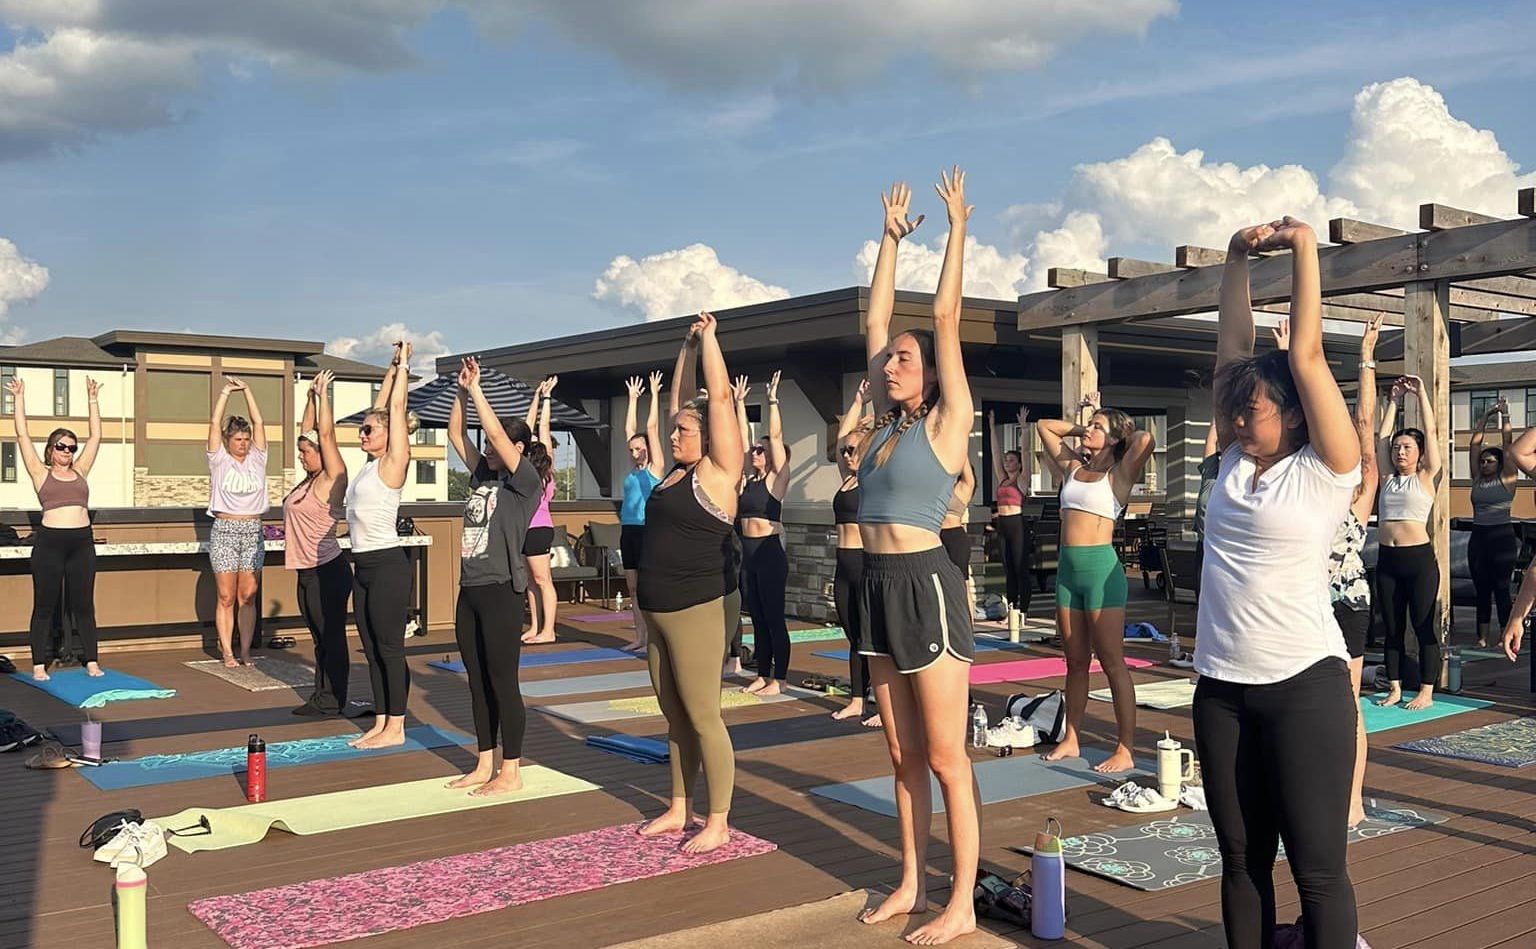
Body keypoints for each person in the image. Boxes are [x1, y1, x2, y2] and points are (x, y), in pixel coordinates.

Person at [1197, 216, 1361, 949]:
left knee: (1318, 872)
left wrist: (1301, 250)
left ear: (1293, 413)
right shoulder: (1233, 461)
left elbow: (1307, 350)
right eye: (1234, 409)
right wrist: (1235, 258)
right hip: (1221, 688)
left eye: (1253, 409)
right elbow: (1234, 349)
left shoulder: (1325, 469)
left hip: (1304, 686)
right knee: (1240, 861)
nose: (1236, 416)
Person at [854, 172, 978, 946]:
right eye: (891, 359)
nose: (893, 363)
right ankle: (911, 878)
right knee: (899, 750)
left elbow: (942, 315)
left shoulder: (945, 423)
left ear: (930, 376)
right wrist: (891, 243)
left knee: (943, 755)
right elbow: (875, 318)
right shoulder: (882, 426)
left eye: (906, 359)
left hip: (926, 587)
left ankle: (960, 901)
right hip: (873, 587)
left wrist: (956, 228)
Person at [635, 311, 744, 855]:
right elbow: (682, 398)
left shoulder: (718, 473)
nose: (673, 432)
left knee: (703, 715)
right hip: (655, 610)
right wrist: (684, 345)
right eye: (674, 428)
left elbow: (717, 400)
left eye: (683, 429)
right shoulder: (673, 471)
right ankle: (679, 806)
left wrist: (711, 341)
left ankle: (718, 819)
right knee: (673, 714)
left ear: (709, 437)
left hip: (696, 609)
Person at [1035, 392, 1154, 773]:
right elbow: (1044, 427)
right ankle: (1071, 737)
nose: (1088, 432)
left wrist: (1117, 429)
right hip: (1068, 574)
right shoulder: (1072, 467)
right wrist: (1085, 424)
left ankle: (1125, 747)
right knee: (1074, 662)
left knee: (1112, 661)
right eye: (1089, 427)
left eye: (1097, 428)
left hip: (1102, 574)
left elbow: (1145, 440)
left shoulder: (1118, 476)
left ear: (1115, 438)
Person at [446, 357, 545, 795]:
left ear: (518, 449)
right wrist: (463, 391)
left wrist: (481, 391)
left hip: (503, 591)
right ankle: (484, 762)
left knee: (504, 681)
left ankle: (512, 770)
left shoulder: (524, 483)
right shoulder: (482, 476)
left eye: (499, 444)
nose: (489, 449)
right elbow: (455, 435)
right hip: (470, 590)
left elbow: (496, 436)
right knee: (477, 679)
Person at [1315, 315, 1383, 828]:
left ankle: (1353, 798)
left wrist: (1365, 359)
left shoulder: (1360, 490)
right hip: (1307, 601)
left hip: (1348, 602)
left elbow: (1362, 425)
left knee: (1347, 702)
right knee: (1309, 700)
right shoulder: (1312, 489)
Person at [8, 375, 103, 680]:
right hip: (50, 543)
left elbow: (97, 437)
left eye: (71, 448)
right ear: (51, 449)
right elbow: (22, 436)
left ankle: (91, 660)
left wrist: (92, 399)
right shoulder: (40, 472)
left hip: (81, 542)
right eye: (61, 447)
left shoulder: (81, 470)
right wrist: (19, 398)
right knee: (44, 604)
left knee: (84, 604)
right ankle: (38, 664)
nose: (67, 452)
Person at [346, 342, 417, 749]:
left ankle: (398, 726)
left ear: (390, 434)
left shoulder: (394, 463)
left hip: (389, 565)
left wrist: (405, 366)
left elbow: (394, 409)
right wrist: (388, 370)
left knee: (390, 647)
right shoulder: (367, 468)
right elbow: (381, 407)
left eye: (369, 429)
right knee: (371, 647)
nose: (363, 433)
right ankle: (381, 720)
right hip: (364, 567)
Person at [283, 371, 353, 716]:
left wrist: (324, 395)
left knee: (332, 637)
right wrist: (309, 397)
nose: (301, 456)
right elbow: (308, 430)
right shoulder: (307, 482)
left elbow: (324, 434)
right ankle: (321, 696)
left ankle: (333, 699)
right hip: (305, 571)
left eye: (305, 452)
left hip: (328, 570)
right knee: (318, 639)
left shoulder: (332, 477)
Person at [1374, 372, 1444, 710]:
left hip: (1418, 562)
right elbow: (1381, 437)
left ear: (1418, 454)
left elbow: (1431, 433)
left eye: (1407, 447)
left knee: (1422, 625)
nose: (1400, 451)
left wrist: (1420, 396)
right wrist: (1393, 401)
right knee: (1392, 628)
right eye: (1398, 447)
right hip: (1387, 561)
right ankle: (1396, 687)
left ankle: (1427, 691)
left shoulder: (1427, 477)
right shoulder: (1387, 478)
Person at [733, 370, 792, 696]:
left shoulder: (775, 481)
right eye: (755, 450)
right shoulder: (749, 481)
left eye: (761, 450)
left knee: (772, 617)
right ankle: (762, 672)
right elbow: (742, 441)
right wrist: (740, 404)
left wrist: (771, 401)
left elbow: (776, 435)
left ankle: (779, 679)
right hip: (748, 553)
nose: (755, 452)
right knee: (755, 615)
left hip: (769, 553)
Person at [206, 376, 270, 668]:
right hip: (225, 530)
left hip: (252, 530)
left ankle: (245, 650)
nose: (243, 444)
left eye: (246, 440)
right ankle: (227, 651)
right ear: (228, 441)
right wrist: (224, 393)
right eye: (238, 440)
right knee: (226, 595)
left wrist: (248, 390)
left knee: (248, 594)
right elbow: (213, 423)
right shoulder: (219, 459)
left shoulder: (257, 459)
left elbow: (259, 423)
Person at [832, 379, 879, 726]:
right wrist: (858, 400)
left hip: (865, 562)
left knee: (871, 634)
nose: (847, 455)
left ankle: (883, 702)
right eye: (846, 452)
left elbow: (867, 437)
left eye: (853, 451)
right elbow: (841, 437)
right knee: (852, 634)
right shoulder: (845, 480)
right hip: (842, 565)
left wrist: (871, 416)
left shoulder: (872, 477)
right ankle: (858, 699)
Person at [1467, 397, 1519, 648]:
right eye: (1483, 461)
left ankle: (1504, 635)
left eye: (1489, 461)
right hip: (1479, 537)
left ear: (1499, 464)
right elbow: (1474, 445)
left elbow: (1509, 447)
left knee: (1501, 587)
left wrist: (1505, 415)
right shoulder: (1477, 479)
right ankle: (1482, 636)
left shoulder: (1507, 478)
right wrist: (1486, 415)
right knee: (1482, 588)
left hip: (1502, 537)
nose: (1484, 463)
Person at [620, 372, 666, 653]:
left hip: (648, 531)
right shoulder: (632, 470)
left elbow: (651, 427)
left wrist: (653, 395)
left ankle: (655, 638)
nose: (635, 451)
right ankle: (640, 636)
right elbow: (629, 430)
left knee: (650, 588)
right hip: (628, 531)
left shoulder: (656, 468)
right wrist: (631, 399)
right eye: (632, 449)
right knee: (634, 589)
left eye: (639, 448)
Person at [521, 377, 561, 645]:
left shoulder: (545, 472)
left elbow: (542, 428)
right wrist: (537, 396)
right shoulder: (522, 471)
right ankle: (535, 626)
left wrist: (547, 399)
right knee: (530, 583)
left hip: (539, 528)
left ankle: (549, 630)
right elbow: (527, 428)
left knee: (542, 579)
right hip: (524, 528)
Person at [988, 407, 1033, 618]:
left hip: (1017, 524)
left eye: (1011, 460)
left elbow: (1025, 453)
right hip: (1003, 525)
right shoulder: (1003, 479)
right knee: (1008, 569)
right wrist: (991, 428)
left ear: (1019, 464)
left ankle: (1023, 609)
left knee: (1019, 568)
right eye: (1007, 461)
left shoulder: (1022, 481)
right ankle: (1013, 607)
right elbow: (995, 454)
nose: (1007, 463)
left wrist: (1024, 429)